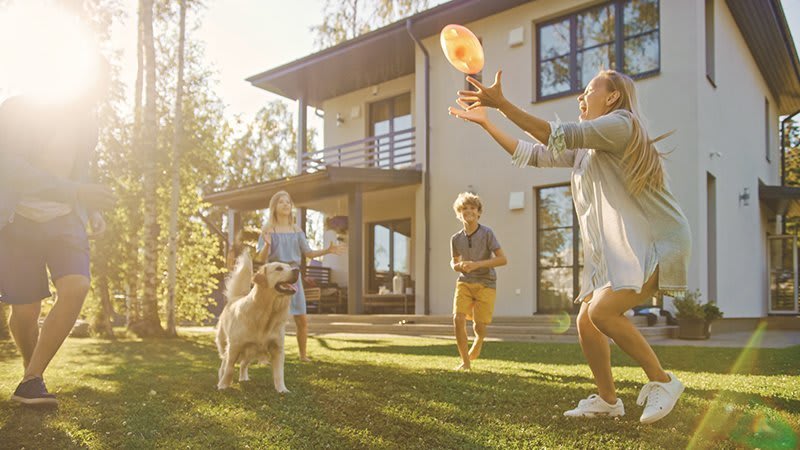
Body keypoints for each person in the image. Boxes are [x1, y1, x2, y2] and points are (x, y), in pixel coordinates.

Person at [449, 69, 690, 424]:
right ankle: (608, 401)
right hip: (626, 251)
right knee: (586, 321)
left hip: (659, 241)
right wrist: (488, 122)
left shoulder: (621, 123)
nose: (581, 98)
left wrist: (501, 104)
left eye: (589, 90)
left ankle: (664, 381)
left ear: (611, 97)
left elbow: (553, 133)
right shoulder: (587, 150)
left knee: (602, 312)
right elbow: (533, 153)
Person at [0, 64, 115, 405]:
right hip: (17, 219)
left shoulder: (87, 124)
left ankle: (32, 380)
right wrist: (76, 192)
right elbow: (10, 169)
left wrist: (91, 209)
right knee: (25, 311)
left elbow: (82, 170)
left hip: (65, 220)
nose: (95, 97)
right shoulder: (17, 111)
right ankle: (31, 367)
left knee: (77, 285)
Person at [255, 191, 344, 362]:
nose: (286, 204)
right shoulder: (268, 230)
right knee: (269, 320)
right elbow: (260, 257)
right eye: (281, 202)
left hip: (293, 277)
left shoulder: (297, 230)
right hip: (276, 278)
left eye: (288, 202)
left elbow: (309, 253)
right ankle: (263, 355)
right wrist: (267, 244)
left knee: (301, 319)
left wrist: (328, 250)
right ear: (275, 207)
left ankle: (303, 356)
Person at [449, 192, 507, 371]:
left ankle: (479, 339)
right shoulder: (456, 239)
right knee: (458, 319)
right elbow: (454, 261)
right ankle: (465, 362)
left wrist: (476, 265)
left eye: (473, 208)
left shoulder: (487, 233)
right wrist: (457, 267)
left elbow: (502, 259)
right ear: (459, 213)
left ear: (479, 213)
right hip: (464, 282)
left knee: (479, 326)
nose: (469, 211)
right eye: (464, 208)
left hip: (486, 283)